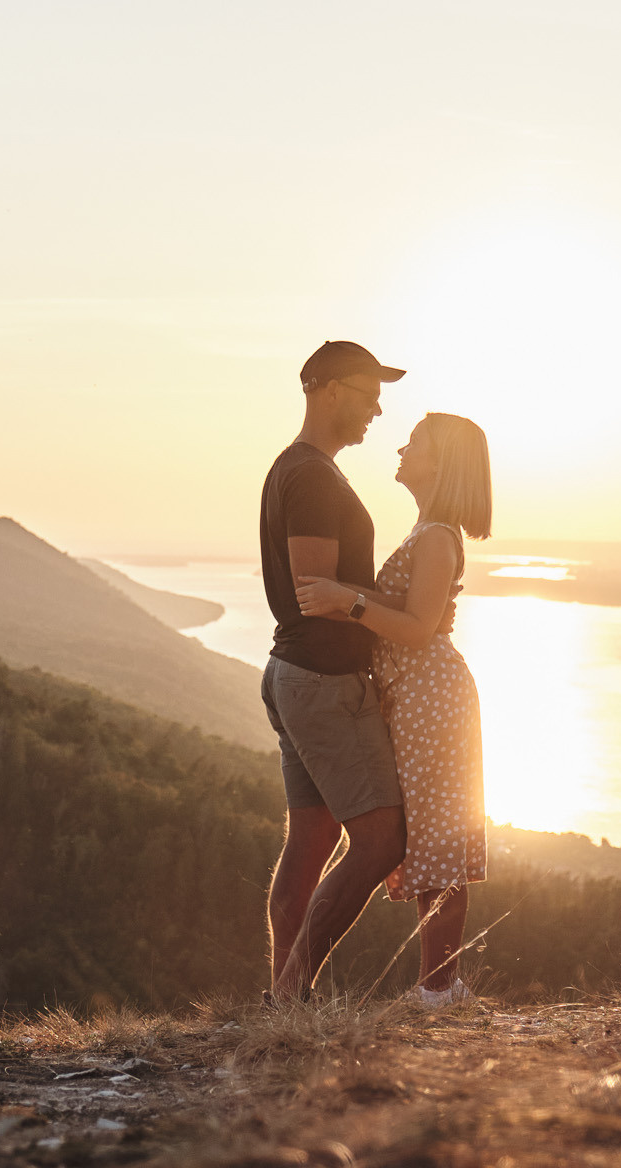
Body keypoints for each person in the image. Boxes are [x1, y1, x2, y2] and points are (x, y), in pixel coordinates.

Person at [296, 412, 490, 1008]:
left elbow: (416, 626)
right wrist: (347, 598)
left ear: (441, 464)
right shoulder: (427, 527)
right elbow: (402, 604)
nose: (401, 449)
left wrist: (345, 600)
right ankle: (441, 985)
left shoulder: (436, 536)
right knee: (429, 837)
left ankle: (438, 989)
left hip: (432, 696)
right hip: (415, 696)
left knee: (439, 840)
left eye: (415, 443)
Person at [258, 341, 409, 1001]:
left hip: (297, 675)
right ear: (325, 388)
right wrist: (404, 609)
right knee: (380, 843)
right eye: (367, 390)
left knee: (313, 841)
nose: (378, 405)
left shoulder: (302, 468)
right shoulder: (313, 477)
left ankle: (284, 1005)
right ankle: (292, 993)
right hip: (320, 682)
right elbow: (314, 591)